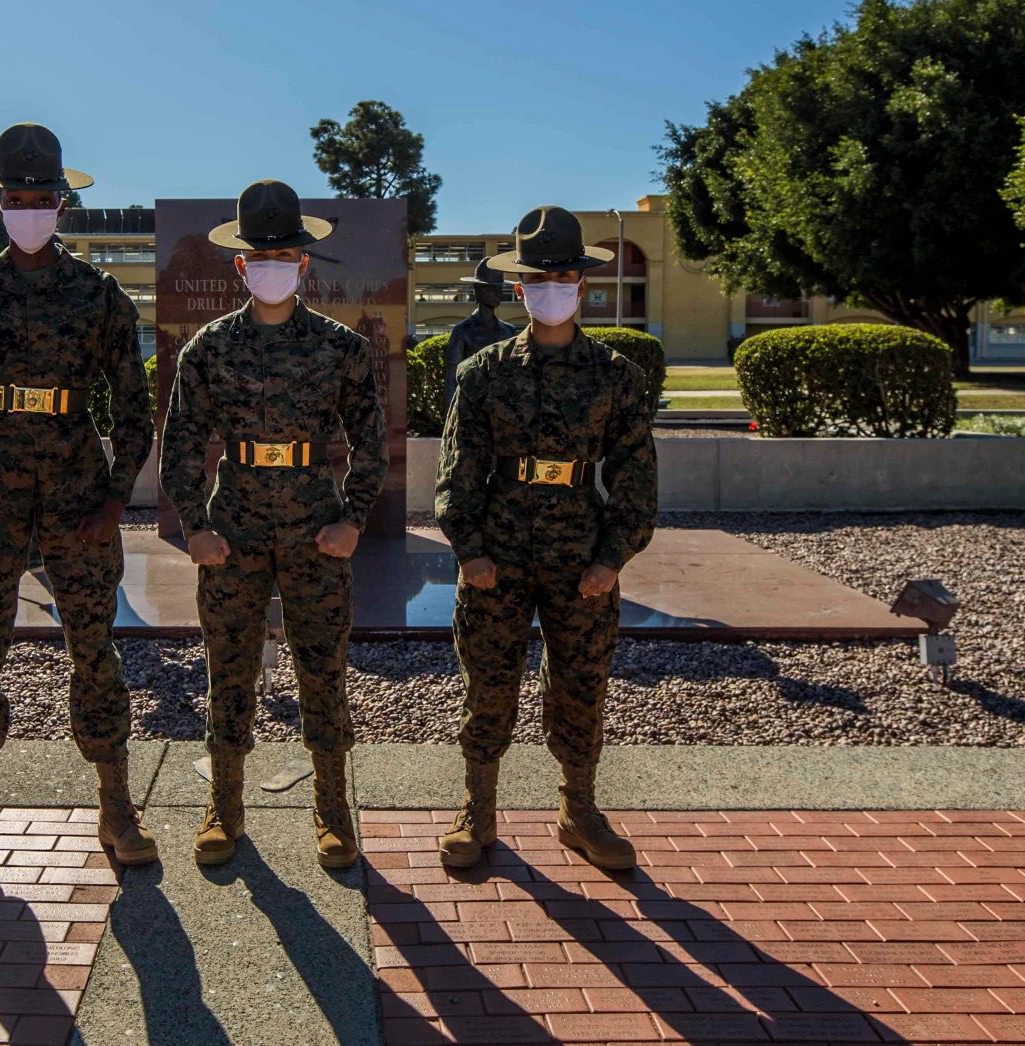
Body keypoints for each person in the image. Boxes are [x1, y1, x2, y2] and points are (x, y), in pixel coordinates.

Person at [0, 122, 157, 875]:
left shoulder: (97, 296)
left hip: (78, 493)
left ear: (62, 205)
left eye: (40, 199)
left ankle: (115, 807)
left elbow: (133, 408)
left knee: (94, 652)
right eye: (14, 199)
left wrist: (116, 498)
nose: (28, 210)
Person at [160, 180, 388, 870]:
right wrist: (194, 526)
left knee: (322, 671)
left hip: (315, 526)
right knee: (228, 670)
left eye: (284, 255)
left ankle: (331, 810)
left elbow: (371, 441)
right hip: (234, 528)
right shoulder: (209, 347)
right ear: (239, 266)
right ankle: (224, 808)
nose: (272, 266)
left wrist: (353, 517)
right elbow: (180, 442)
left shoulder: (339, 348)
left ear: (304, 264)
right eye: (260, 256)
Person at [434, 205, 657, 871]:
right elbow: (457, 471)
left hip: (578, 555)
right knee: (489, 685)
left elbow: (635, 476)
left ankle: (578, 810)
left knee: (581, 684)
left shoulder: (615, 374)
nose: (551, 289)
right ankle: (476, 809)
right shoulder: (484, 372)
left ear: (581, 287)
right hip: (496, 557)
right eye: (538, 278)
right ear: (518, 288)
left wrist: (613, 556)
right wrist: (468, 549)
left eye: (562, 277)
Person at [443, 259, 518, 414]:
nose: (498, 293)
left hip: (502, 415)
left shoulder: (509, 331)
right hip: (470, 413)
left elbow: (515, 380)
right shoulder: (462, 332)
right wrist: (450, 418)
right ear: (478, 290)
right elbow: (451, 381)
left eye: (500, 288)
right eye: (492, 288)